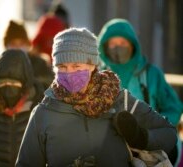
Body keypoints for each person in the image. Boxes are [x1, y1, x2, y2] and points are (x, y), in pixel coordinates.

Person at [15, 27, 177, 166]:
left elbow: (169, 135)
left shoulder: (121, 101)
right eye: (62, 67)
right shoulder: (44, 112)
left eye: (76, 66)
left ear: (92, 65)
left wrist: (138, 136)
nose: (69, 73)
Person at [97, 18, 183, 165]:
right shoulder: (97, 76)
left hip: (149, 144)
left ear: (132, 45)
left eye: (123, 43)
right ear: (104, 46)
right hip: (110, 146)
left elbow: (173, 107)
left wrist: (156, 128)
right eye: (113, 44)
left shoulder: (151, 74)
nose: (118, 48)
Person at [3, 20, 54, 89]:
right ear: (6, 45)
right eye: (13, 44)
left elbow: (49, 82)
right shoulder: (0, 65)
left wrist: (34, 89)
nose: (18, 48)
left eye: (21, 44)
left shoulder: (39, 63)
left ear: (27, 44)